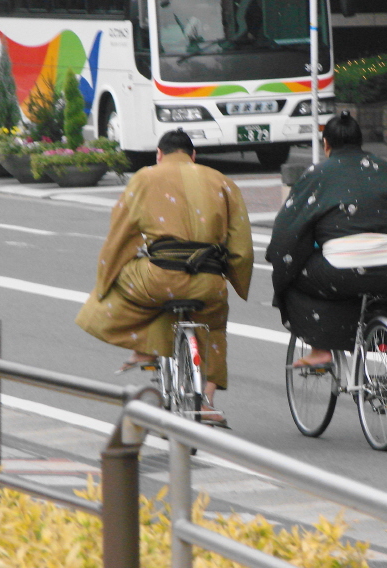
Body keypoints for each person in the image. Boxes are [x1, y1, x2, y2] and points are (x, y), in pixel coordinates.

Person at [75, 129, 254, 426]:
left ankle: (144, 349)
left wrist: (106, 278)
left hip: (159, 277)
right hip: (209, 281)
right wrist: (235, 279)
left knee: (137, 282)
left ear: (159, 155)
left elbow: (120, 237)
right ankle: (207, 400)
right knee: (214, 324)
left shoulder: (145, 178)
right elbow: (242, 249)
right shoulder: (222, 181)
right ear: (193, 156)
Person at [266, 111, 387, 425]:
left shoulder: (318, 173)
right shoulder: (384, 169)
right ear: (361, 142)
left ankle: (320, 348)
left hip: (339, 269)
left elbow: (288, 230)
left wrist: (284, 263)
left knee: (294, 278)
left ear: (326, 144)